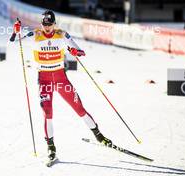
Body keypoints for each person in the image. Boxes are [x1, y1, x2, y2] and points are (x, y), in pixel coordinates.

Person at [11, 10, 112, 162]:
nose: (47, 28)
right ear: (41, 24)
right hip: (44, 80)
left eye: (50, 24)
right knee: (47, 112)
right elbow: (13, 43)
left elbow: (81, 52)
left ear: (54, 24)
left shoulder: (62, 34)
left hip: (61, 79)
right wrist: (15, 32)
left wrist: (74, 51)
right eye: (45, 24)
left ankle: (99, 136)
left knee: (79, 108)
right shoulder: (35, 35)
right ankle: (51, 148)